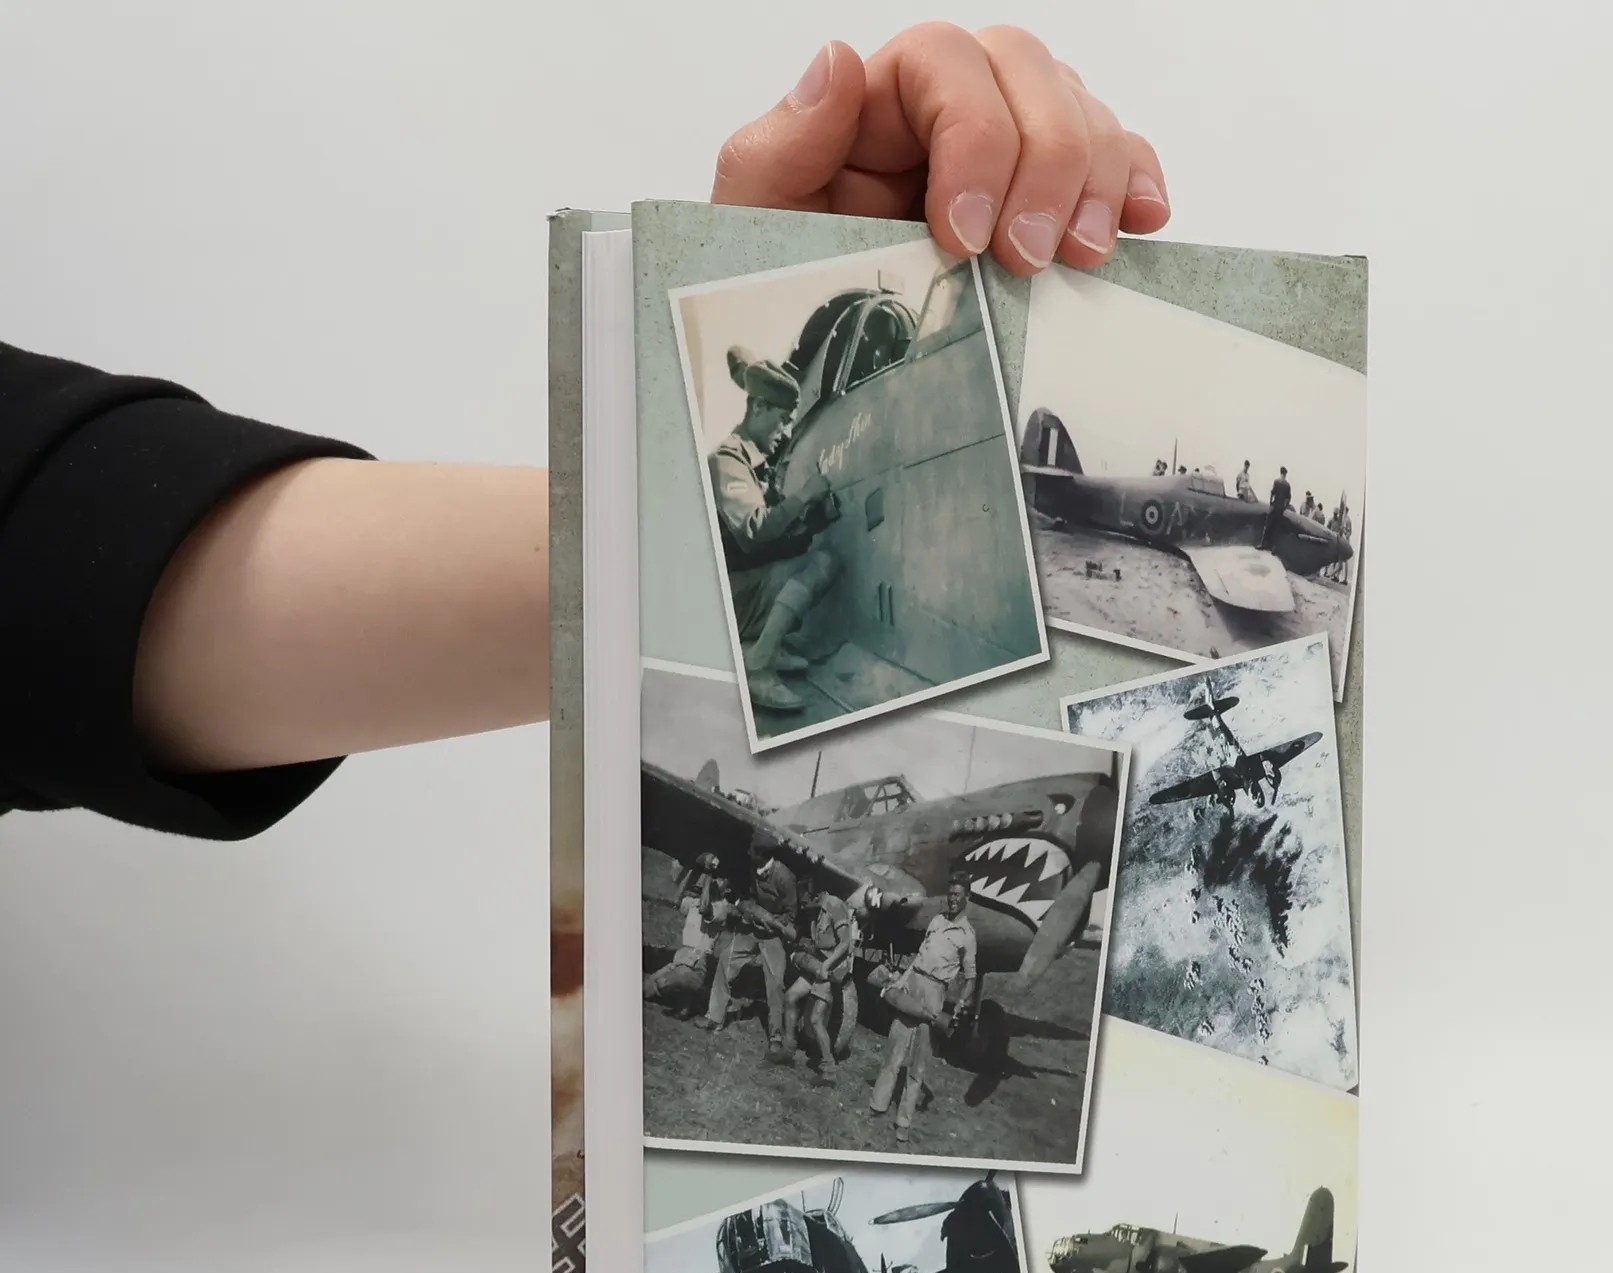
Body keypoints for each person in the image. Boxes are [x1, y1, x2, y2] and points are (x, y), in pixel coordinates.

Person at [0, 26, 1174, 838]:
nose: (776, 406)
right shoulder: (737, 462)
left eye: (785, 396)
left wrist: (670, 479)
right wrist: (709, 520)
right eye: (773, 398)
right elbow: (64, 574)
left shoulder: (745, 456)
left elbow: (51, 566)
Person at [709, 351, 841, 719]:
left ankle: (762, 642)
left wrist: (812, 523)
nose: (785, 432)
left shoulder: (756, 466)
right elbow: (755, 531)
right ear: (758, 408)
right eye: (782, 421)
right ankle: (757, 665)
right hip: (731, 600)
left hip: (742, 590)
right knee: (821, 564)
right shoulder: (726, 462)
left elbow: (776, 541)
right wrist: (804, 496)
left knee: (820, 561)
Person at [869, 879, 979, 1136]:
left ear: (967, 898)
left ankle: (903, 1122)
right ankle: (878, 1104)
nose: (952, 899)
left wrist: (960, 1003)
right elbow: (918, 958)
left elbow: (971, 977)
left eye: (957, 895)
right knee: (894, 1049)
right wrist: (901, 983)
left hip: (935, 992)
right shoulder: (937, 921)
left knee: (918, 1065)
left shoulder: (968, 935)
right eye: (950, 894)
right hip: (913, 983)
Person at [698, 828, 798, 1060]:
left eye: (753, 851)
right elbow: (752, 896)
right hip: (753, 927)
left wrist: (773, 923)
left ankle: (776, 1037)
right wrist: (751, 911)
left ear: (762, 854)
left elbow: (792, 915)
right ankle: (715, 1017)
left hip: (773, 934)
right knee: (726, 960)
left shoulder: (784, 877)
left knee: (775, 984)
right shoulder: (755, 868)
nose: (748, 853)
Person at [785, 879, 858, 1079]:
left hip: (831, 969)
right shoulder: (816, 911)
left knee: (816, 1019)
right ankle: (788, 1048)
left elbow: (845, 944)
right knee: (790, 997)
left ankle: (829, 1067)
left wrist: (826, 966)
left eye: (804, 902)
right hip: (818, 965)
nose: (802, 907)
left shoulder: (835, 905)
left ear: (815, 896)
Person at [644, 853, 728, 1013]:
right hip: (680, 959)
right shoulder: (695, 902)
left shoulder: (722, 907)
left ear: (727, 888)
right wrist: (695, 868)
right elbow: (676, 899)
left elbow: (704, 909)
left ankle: (699, 995)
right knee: (645, 989)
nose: (716, 881)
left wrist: (708, 875)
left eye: (720, 879)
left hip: (697, 964)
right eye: (716, 878)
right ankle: (689, 1001)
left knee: (662, 983)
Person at [1261, 467, 1293, 551]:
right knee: (1276, 528)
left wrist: (1270, 503)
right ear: (1285, 474)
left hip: (1274, 506)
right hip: (1281, 508)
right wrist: (1285, 507)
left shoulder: (1276, 481)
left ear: (1280, 473)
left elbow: (1272, 493)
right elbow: (1289, 498)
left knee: (1268, 525)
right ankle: (1273, 547)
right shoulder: (1287, 485)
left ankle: (1263, 544)